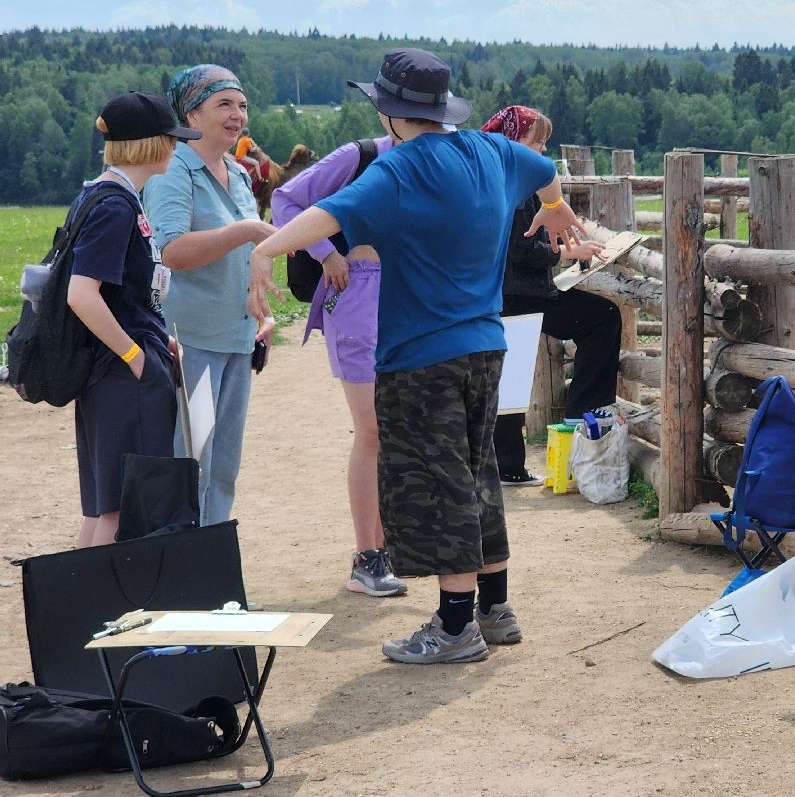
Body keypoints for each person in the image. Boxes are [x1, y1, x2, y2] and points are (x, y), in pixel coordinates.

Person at [249, 47, 584, 665]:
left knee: (438, 482)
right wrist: (555, 205)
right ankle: (495, 607)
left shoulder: (400, 169)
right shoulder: (494, 152)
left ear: (391, 113)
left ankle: (455, 627)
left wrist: (264, 251)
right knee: (479, 469)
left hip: (420, 356)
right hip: (486, 345)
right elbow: (541, 167)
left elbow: (324, 214)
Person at [270, 133, 406, 597]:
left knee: (399, 428)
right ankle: (366, 556)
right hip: (360, 295)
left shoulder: (439, 156)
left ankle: (389, 546)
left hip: (413, 299)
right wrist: (325, 253)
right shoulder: (360, 155)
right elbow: (285, 201)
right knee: (372, 430)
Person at [144, 65, 277, 526]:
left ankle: (213, 567)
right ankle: (184, 575)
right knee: (192, 463)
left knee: (223, 468)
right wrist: (247, 229)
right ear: (191, 113)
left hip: (237, 342)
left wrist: (259, 313)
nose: (237, 114)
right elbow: (173, 251)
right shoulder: (174, 170)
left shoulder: (238, 174)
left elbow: (247, 255)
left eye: (241, 105)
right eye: (224, 104)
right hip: (192, 344)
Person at [67, 91, 201, 547]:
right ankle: (102, 610)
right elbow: (81, 295)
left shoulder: (108, 195)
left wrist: (156, 337)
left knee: (104, 506)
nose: (176, 147)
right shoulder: (115, 205)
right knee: (122, 507)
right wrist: (133, 354)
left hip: (114, 372)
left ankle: (81, 607)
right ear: (151, 143)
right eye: (172, 138)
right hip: (122, 377)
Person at [480, 106, 622, 485]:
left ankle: (507, 466)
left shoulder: (496, 176)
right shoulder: (519, 184)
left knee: (508, 378)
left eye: (543, 141)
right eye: (534, 140)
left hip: (505, 292)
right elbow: (523, 249)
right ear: (513, 141)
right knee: (602, 319)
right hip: (522, 293)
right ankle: (582, 416)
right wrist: (568, 254)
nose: (541, 149)